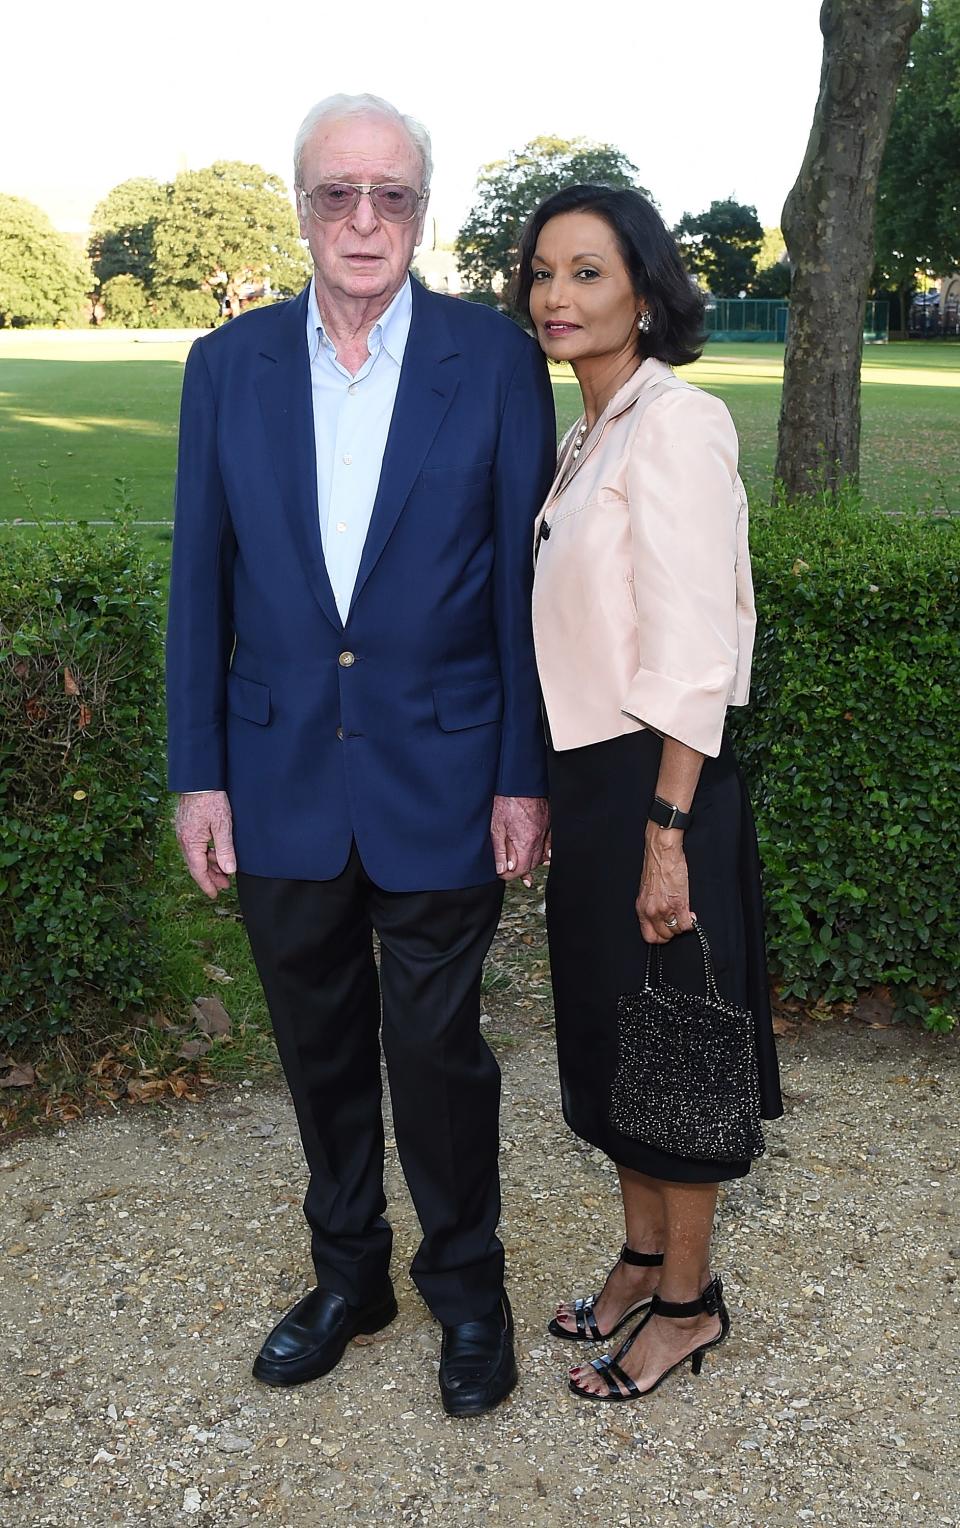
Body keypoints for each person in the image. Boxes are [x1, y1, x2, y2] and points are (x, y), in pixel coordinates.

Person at [166, 92, 556, 1417]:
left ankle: (467, 1289)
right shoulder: (226, 367)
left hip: (444, 778)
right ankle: (350, 1277)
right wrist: (197, 774)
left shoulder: (492, 362)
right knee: (317, 1046)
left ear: (421, 211)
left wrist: (522, 773)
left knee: (440, 1055)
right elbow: (197, 592)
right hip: (275, 782)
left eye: (391, 195)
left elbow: (519, 590)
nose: (365, 219)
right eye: (339, 194)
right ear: (302, 207)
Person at [518, 185, 783, 1402]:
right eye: (541, 274)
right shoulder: (595, 429)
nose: (556, 298)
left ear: (643, 288)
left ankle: (689, 1305)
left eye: (586, 273)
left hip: (657, 781)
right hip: (595, 780)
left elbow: (696, 646)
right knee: (617, 1044)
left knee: (678, 1052)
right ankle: (637, 1260)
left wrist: (666, 832)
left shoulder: (674, 422)